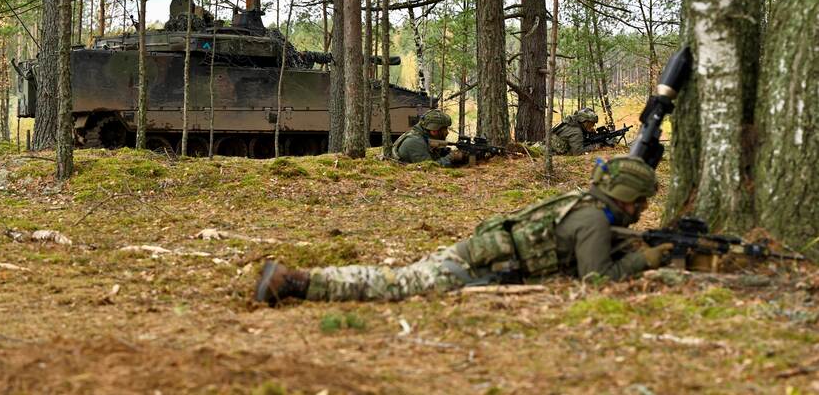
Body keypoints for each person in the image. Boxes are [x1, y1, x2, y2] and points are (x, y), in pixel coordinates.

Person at [254, 155, 673, 305]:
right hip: (473, 269)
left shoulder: (582, 205)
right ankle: (295, 282)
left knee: (398, 279)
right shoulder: (594, 222)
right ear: (623, 196)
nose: (642, 210)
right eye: (641, 202)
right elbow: (596, 279)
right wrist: (646, 259)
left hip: (477, 255)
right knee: (394, 285)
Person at [391, 109, 468, 166]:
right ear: (434, 131)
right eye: (444, 129)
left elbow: (435, 155)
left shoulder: (424, 137)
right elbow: (429, 167)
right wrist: (450, 157)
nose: (447, 133)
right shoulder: (414, 142)